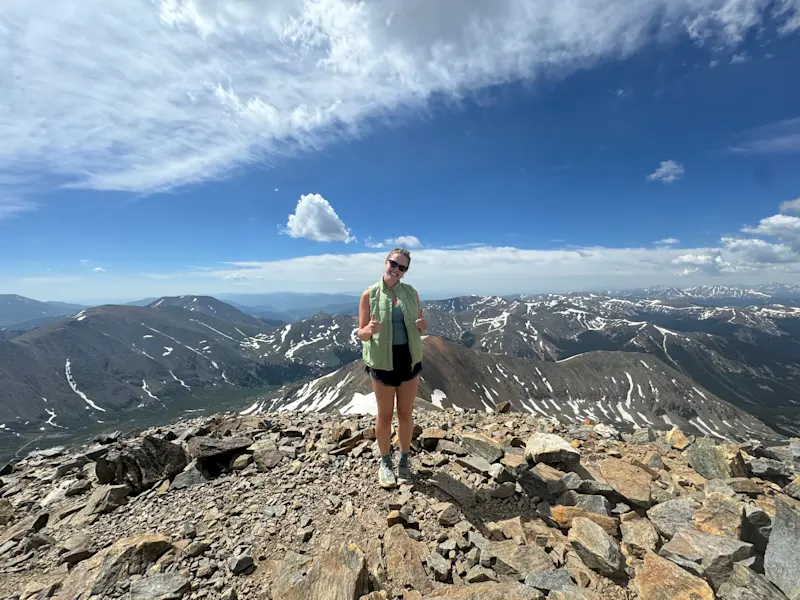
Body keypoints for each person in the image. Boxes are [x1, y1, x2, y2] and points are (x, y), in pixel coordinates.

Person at [357, 247, 428, 488]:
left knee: (405, 413)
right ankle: (385, 461)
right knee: (385, 415)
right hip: (381, 361)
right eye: (393, 263)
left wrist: (423, 326)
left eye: (402, 267)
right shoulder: (369, 294)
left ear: (406, 272)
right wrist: (369, 330)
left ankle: (404, 459)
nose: (396, 269)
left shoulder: (411, 293)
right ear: (385, 262)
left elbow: (418, 326)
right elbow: (361, 333)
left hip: (408, 358)